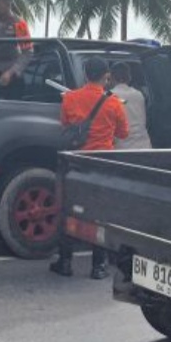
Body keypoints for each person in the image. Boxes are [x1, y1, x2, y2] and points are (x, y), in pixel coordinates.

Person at [51, 56, 128, 280]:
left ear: (85, 74)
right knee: (99, 215)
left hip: (75, 164)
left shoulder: (70, 98)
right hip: (102, 165)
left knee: (69, 210)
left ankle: (65, 262)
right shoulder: (114, 103)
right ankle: (98, 267)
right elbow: (123, 133)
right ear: (107, 76)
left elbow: (65, 124)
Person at [110, 62, 152, 150]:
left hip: (122, 149)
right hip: (144, 146)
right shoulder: (139, 94)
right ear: (129, 77)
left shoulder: (109, 96)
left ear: (112, 78)